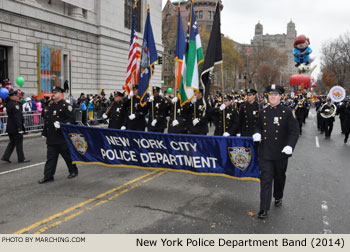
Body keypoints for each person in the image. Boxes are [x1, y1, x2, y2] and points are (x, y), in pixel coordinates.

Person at [253, 84, 299, 219]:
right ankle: (264, 208)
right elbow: (258, 126)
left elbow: (294, 131)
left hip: (281, 153)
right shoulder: (263, 112)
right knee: (266, 179)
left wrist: (290, 145)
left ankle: (278, 196)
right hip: (265, 153)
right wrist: (257, 133)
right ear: (268, 96)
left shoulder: (287, 112)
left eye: (275, 95)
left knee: (279, 177)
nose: (272, 97)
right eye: (270, 95)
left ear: (280, 96)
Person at [39, 86, 78, 184]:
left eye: (56, 92)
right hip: (52, 137)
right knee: (50, 158)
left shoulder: (65, 106)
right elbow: (47, 121)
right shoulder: (50, 106)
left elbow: (71, 119)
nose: (54, 94)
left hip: (62, 137)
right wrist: (44, 133)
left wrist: (62, 124)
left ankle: (73, 170)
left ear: (61, 94)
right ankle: (48, 176)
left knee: (67, 156)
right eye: (53, 92)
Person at [1, 90, 30, 163]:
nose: (18, 97)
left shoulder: (9, 103)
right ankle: (21, 158)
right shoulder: (14, 105)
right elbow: (17, 117)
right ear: (12, 96)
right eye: (16, 96)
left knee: (12, 142)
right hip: (15, 127)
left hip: (11, 127)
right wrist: (19, 128)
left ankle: (6, 156)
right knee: (19, 143)